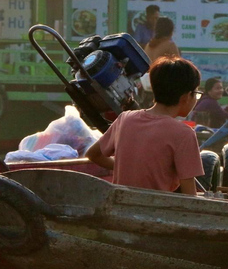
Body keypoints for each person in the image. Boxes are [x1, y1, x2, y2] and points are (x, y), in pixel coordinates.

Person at [86, 56, 204, 195]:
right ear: (186, 97)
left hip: (120, 204)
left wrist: (126, 167)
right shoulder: (184, 133)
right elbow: (190, 196)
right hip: (155, 210)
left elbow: (93, 155)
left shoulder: (125, 119)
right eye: (196, 94)